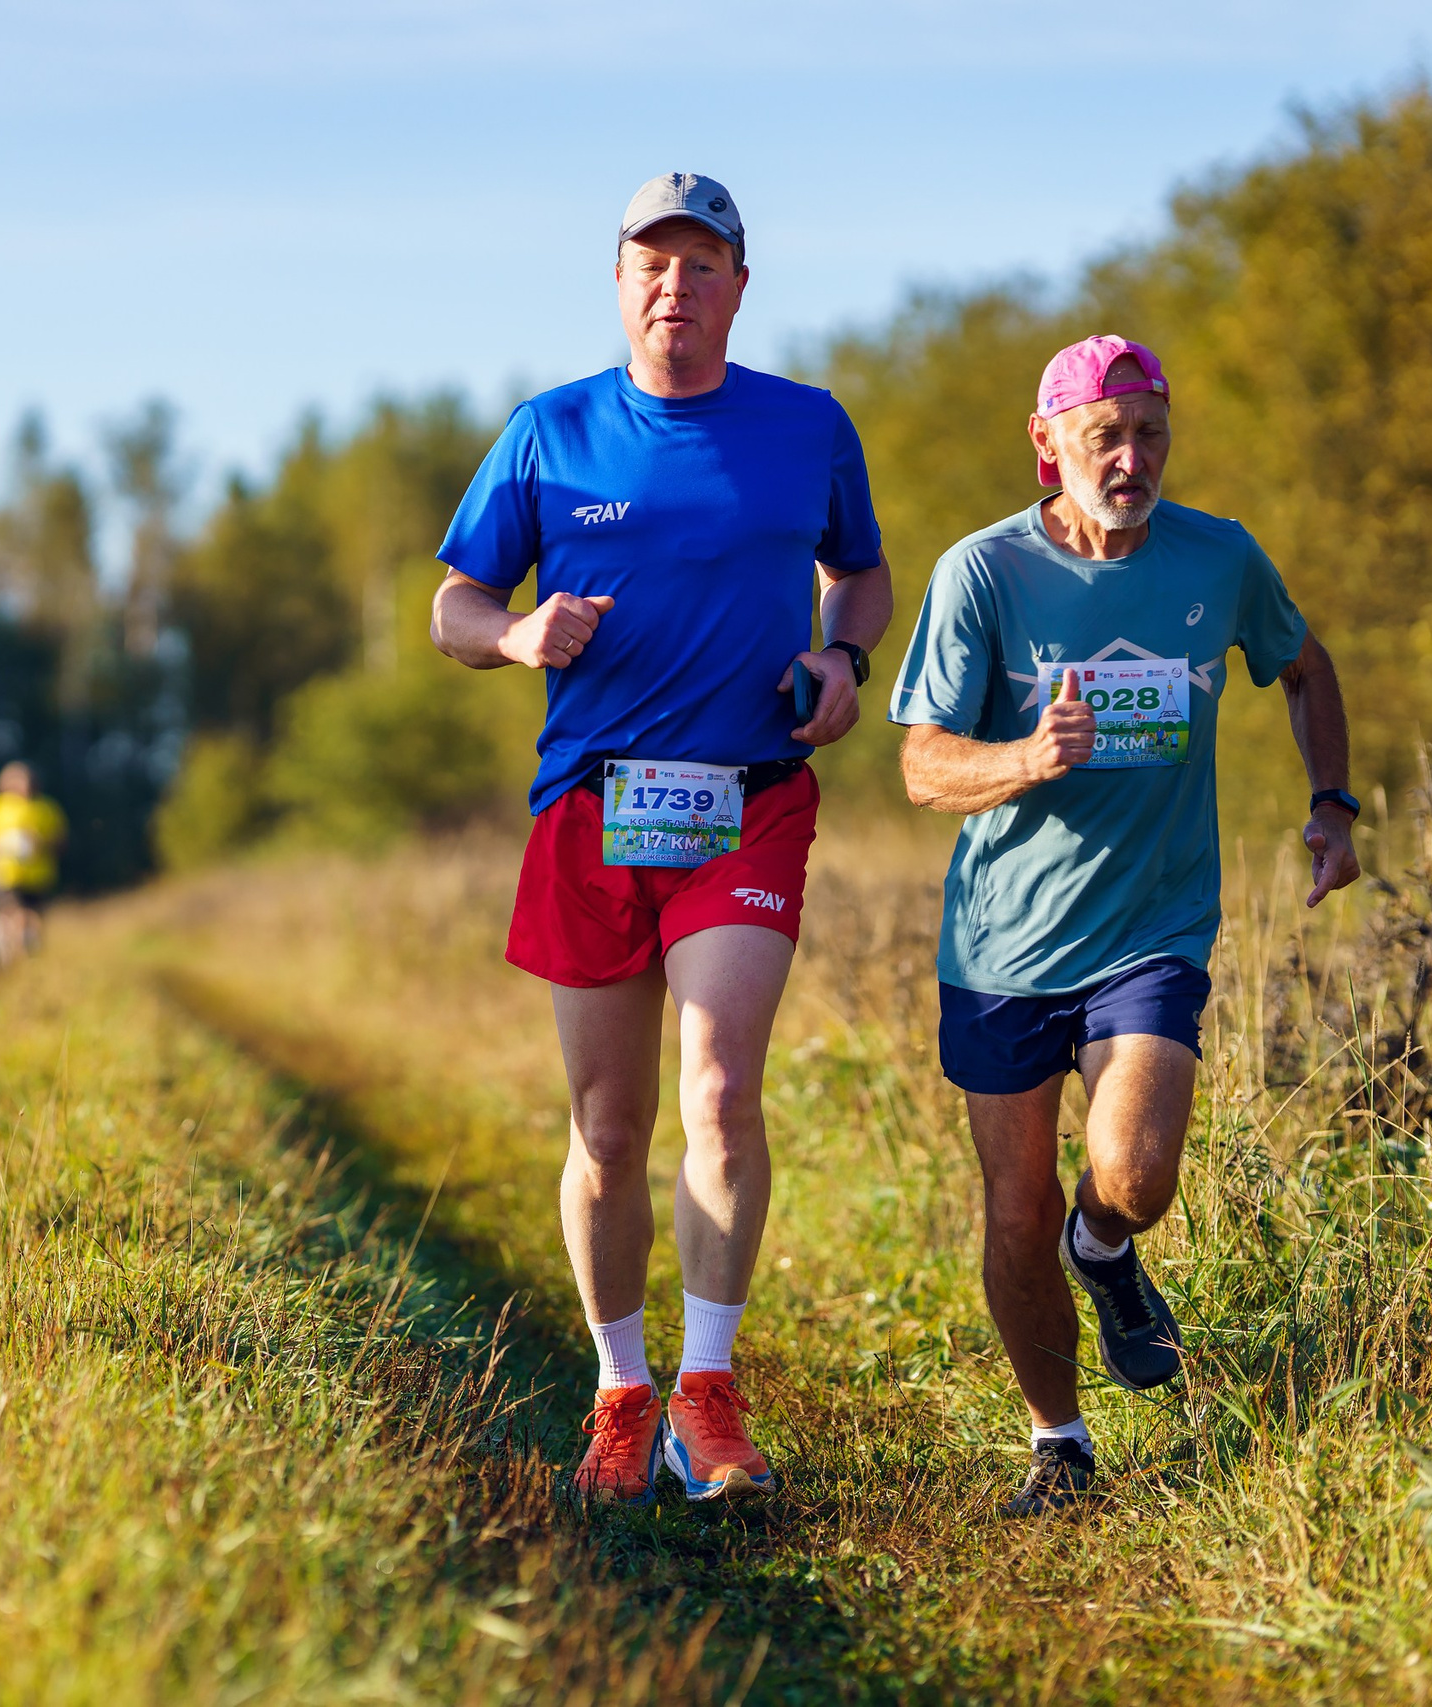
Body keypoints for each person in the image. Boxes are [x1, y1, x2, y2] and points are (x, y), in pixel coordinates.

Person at [429, 173, 891, 1503]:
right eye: (653, 263)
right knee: (611, 1124)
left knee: (721, 1091)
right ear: (618, 280)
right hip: (592, 806)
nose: (675, 286)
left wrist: (847, 652)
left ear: (740, 285)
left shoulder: (806, 427)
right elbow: (454, 602)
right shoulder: (549, 432)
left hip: (748, 793)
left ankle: (711, 1387)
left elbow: (858, 568)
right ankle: (621, 1389)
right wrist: (512, 633)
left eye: (702, 264)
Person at [886, 335, 1360, 1515]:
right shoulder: (982, 573)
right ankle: (1060, 1444)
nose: (1131, 457)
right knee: (1014, 1205)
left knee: (1132, 1175)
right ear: (1047, 446)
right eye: (1106, 435)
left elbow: (1301, 666)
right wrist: (1022, 758)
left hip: (1152, 925)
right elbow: (921, 767)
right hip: (1000, 944)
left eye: (1150, 432)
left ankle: (1106, 1251)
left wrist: (1330, 807)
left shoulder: (1218, 557)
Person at [0, 762, 66, 966]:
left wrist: (39, 843)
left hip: (38, 876)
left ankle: (27, 956)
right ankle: (11, 955)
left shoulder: (47, 809)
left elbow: (60, 843)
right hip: (4, 874)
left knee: (34, 919)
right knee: (14, 914)